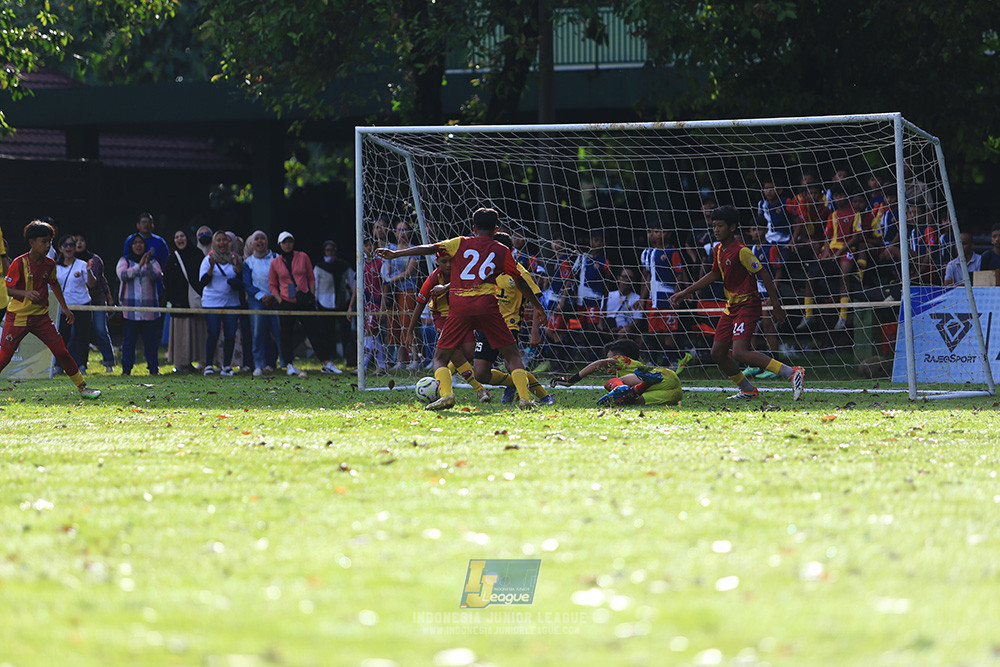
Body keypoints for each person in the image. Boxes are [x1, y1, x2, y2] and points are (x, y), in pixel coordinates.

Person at [375, 207, 544, 410]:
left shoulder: (460, 243)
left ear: (474, 228)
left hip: (460, 306)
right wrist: (538, 307)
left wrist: (396, 253)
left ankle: (447, 395)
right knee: (513, 355)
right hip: (487, 306)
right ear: (496, 230)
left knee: (440, 357)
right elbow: (521, 282)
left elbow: (430, 248)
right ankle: (525, 399)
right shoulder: (502, 250)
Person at [670, 206, 805, 401]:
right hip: (731, 306)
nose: (716, 230)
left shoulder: (742, 251)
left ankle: (791, 372)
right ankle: (747, 389)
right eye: (714, 226)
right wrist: (686, 292)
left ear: (732, 227)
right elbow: (715, 273)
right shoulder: (718, 249)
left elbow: (764, 275)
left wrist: (776, 305)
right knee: (717, 353)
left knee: (740, 352)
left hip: (748, 305)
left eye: (720, 226)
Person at [0, 221, 101, 397]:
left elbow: (54, 284)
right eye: (44, 241)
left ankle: (83, 388)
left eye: (50, 241)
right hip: (18, 317)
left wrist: (65, 309)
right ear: (31, 242)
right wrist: (25, 293)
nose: (48, 246)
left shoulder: (49, 264)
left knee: (61, 351)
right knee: (5, 356)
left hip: (41, 318)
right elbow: (6, 288)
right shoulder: (19, 263)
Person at [470, 232, 553, 405]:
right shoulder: (486, 270)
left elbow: (536, 302)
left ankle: (543, 396)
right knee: (480, 373)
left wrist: (535, 332)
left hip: (509, 326)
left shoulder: (520, 273)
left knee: (512, 364)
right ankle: (512, 383)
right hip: (486, 326)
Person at [403, 251, 491, 401]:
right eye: (444, 262)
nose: (448, 265)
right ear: (437, 261)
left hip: (461, 315)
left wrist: (445, 288)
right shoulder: (433, 278)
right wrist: (410, 330)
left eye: (451, 261)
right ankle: (480, 390)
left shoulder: (464, 273)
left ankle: (440, 378)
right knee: (455, 353)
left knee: (469, 353)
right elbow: (420, 303)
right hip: (442, 317)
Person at [550, 338, 683, 407]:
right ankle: (639, 387)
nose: (608, 360)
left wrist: (572, 379)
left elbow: (599, 363)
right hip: (674, 390)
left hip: (660, 376)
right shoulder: (634, 364)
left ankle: (627, 387)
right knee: (627, 401)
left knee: (612, 383)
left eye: (608, 356)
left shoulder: (622, 360)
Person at [268, 231, 321, 378]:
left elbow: (311, 277)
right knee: (286, 334)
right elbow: (272, 284)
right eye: (284, 242)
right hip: (286, 302)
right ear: (280, 244)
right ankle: (289, 364)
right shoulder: (275, 262)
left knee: (314, 331)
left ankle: (326, 362)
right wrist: (280, 300)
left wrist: (311, 295)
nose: (287, 245)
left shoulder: (303, 257)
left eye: (290, 241)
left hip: (304, 300)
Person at [640, 223, 693, 369]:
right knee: (655, 330)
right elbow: (647, 277)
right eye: (654, 231)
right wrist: (642, 298)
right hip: (653, 298)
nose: (656, 234)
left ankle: (669, 362)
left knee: (669, 329)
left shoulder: (671, 252)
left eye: (660, 231)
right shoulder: (648, 253)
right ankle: (655, 360)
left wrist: (677, 295)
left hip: (667, 296)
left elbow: (679, 274)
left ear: (668, 233)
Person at [118, 234, 163, 376]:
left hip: (149, 310)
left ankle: (154, 369)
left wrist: (148, 265)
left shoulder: (153, 262)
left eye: (141, 243)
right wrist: (139, 266)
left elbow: (158, 276)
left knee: (151, 342)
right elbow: (123, 275)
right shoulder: (124, 261)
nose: (138, 245)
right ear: (131, 246)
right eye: (135, 243)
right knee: (129, 342)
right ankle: (126, 370)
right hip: (130, 310)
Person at [164, 229, 208, 373]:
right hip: (179, 305)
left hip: (195, 303)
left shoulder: (197, 255)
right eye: (176, 237)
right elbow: (167, 282)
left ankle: (199, 362)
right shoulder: (172, 259)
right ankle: (181, 363)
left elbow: (203, 279)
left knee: (198, 333)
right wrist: (173, 300)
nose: (179, 239)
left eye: (182, 236)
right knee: (181, 335)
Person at [199, 231, 242, 376]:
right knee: (213, 332)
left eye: (225, 240)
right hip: (212, 302)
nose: (222, 243)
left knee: (230, 334)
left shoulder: (234, 258)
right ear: (214, 243)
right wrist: (211, 268)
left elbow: (242, 280)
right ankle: (209, 365)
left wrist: (237, 267)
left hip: (231, 301)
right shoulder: (208, 260)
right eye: (219, 240)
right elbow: (203, 282)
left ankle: (227, 366)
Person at [243, 230, 283, 376]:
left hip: (276, 299)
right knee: (257, 333)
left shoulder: (276, 258)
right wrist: (261, 296)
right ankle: (259, 364)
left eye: (262, 238)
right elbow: (247, 284)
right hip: (257, 301)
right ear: (252, 243)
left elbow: (282, 278)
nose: (260, 242)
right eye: (257, 239)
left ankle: (284, 362)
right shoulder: (249, 262)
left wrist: (273, 295)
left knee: (279, 331)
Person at [382, 220, 420, 370]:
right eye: (399, 230)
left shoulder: (414, 250)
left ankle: (415, 358)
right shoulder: (390, 248)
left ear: (409, 232)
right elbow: (387, 267)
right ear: (395, 232)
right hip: (393, 291)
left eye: (404, 230)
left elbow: (409, 272)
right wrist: (388, 279)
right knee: (394, 323)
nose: (402, 233)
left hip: (407, 289)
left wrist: (391, 279)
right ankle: (400, 360)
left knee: (407, 322)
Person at [53, 234, 95, 373]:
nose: (69, 248)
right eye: (65, 245)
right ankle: (59, 366)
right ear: (60, 248)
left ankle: (82, 365)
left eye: (71, 245)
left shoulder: (82, 265)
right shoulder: (56, 267)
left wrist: (89, 271)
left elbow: (92, 284)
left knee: (82, 336)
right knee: (61, 337)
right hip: (63, 308)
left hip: (82, 305)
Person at [74, 234, 116, 372]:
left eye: (81, 240)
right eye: (76, 241)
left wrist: (109, 297)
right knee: (76, 333)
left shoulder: (95, 260)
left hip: (97, 301)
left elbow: (102, 280)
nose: (79, 243)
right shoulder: (68, 261)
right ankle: (75, 364)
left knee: (101, 330)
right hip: (78, 302)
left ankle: (109, 362)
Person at [348, 236, 387, 375]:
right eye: (366, 245)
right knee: (373, 335)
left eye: (371, 245)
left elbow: (385, 286)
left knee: (369, 332)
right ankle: (381, 366)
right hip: (364, 304)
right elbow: (357, 287)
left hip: (376, 303)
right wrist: (350, 306)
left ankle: (363, 366)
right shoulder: (361, 264)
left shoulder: (381, 264)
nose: (369, 248)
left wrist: (383, 307)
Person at [313, 240, 350, 374]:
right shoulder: (319, 267)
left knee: (345, 331)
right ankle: (330, 356)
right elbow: (315, 286)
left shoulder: (344, 266)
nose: (330, 252)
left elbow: (352, 283)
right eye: (328, 250)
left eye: (332, 250)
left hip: (342, 302)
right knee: (327, 331)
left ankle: (348, 357)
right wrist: (315, 302)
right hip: (324, 302)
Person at [605, 267, 644, 339]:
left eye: (630, 278)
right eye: (625, 277)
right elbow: (601, 315)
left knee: (625, 332)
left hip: (625, 330)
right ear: (618, 278)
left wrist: (621, 329)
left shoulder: (637, 299)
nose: (627, 280)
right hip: (608, 328)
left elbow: (637, 321)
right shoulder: (609, 295)